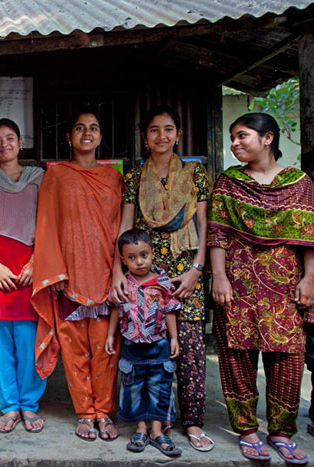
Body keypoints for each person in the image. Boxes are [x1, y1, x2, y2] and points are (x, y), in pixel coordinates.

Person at [209, 112, 314, 464]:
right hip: (237, 284)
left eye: (242, 136)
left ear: (268, 138)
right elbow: (218, 233)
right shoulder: (228, 182)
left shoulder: (300, 183)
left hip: (284, 286)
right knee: (236, 355)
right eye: (233, 137)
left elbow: (308, 237)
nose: (235, 143)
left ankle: (281, 432)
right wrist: (219, 277)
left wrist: (309, 278)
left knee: (287, 358)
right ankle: (247, 430)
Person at [112, 105, 212, 452]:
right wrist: (117, 273)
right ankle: (156, 423)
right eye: (154, 130)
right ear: (145, 137)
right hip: (145, 273)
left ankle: (194, 422)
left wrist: (197, 270)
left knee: (190, 348)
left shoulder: (196, 172)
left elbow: (204, 223)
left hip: (187, 272)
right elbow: (125, 227)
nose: (162, 136)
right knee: (147, 353)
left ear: (178, 135)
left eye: (168, 129)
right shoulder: (134, 177)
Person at [33, 110, 122, 441]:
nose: (87, 133)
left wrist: (121, 272)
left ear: (100, 138)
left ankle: (105, 412)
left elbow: (121, 230)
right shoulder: (56, 176)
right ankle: (85, 413)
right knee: (74, 350)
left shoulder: (114, 178)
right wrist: (54, 269)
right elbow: (46, 223)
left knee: (106, 348)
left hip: (106, 275)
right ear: (69, 137)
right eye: (80, 128)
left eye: (94, 128)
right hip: (69, 276)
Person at [0, 119, 46, 434]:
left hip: (31, 265)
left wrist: (35, 262)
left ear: (21, 142)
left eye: (10, 138)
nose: (4, 144)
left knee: (30, 338)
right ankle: (9, 406)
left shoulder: (40, 178)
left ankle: (29, 405)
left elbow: (49, 222)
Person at [105, 228, 181, 457]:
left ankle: (158, 431)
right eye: (132, 257)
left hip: (159, 346)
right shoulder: (123, 284)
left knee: (160, 389)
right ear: (123, 259)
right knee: (133, 388)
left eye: (144, 255)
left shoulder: (162, 283)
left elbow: (169, 310)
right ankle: (140, 429)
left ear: (152, 253)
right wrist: (110, 335)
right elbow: (117, 311)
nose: (139, 262)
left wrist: (174, 337)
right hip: (131, 347)